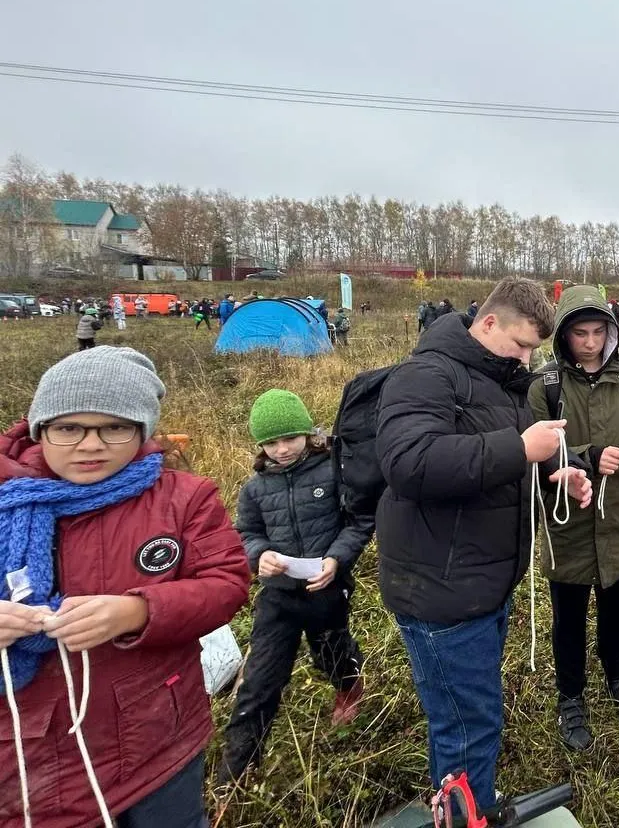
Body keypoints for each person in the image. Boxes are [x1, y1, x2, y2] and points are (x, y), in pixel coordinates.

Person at [0, 347, 250, 827]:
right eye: (69, 428)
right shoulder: (9, 502)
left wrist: (138, 612)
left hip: (159, 737)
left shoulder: (181, 498)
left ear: (142, 430)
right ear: (39, 428)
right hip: (32, 753)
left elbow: (225, 583)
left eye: (114, 427)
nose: (91, 445)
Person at [374, 277, 593, 812]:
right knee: (468, 723)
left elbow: (492, 469)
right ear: (488, 322)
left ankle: (467, 803)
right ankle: (466, 810)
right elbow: (410, 462)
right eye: (520, 345)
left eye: (533, 352)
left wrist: (551, 474)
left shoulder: (498, 381)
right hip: (442, 590)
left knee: (469, 713)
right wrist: (521, 447)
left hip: (481, 584)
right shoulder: (425, 374)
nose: (525, 359)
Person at [527, 286, 619, 750]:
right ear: (565, 336)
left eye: (598, 332)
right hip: (568, 524)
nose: (590, 342)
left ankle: (617, 678)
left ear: (612, 332)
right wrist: (588, 457)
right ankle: (570, 699)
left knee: (617, 611)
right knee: (567, 618)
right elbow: (535, 454)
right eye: (579, 333)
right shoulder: (544, 386)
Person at [219, 391, 373, 783]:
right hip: (278, 596)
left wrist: (336, 560)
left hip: (325, 589)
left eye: (290, 438)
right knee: (259, 682)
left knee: (332, 651)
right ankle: (236, 774)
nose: (282, 449)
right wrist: (259, 555)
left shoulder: (332, 470)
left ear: (308, 433)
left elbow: (358, 522)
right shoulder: (255, 488)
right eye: (271, 442)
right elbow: (247, 532)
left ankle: (349, 687)